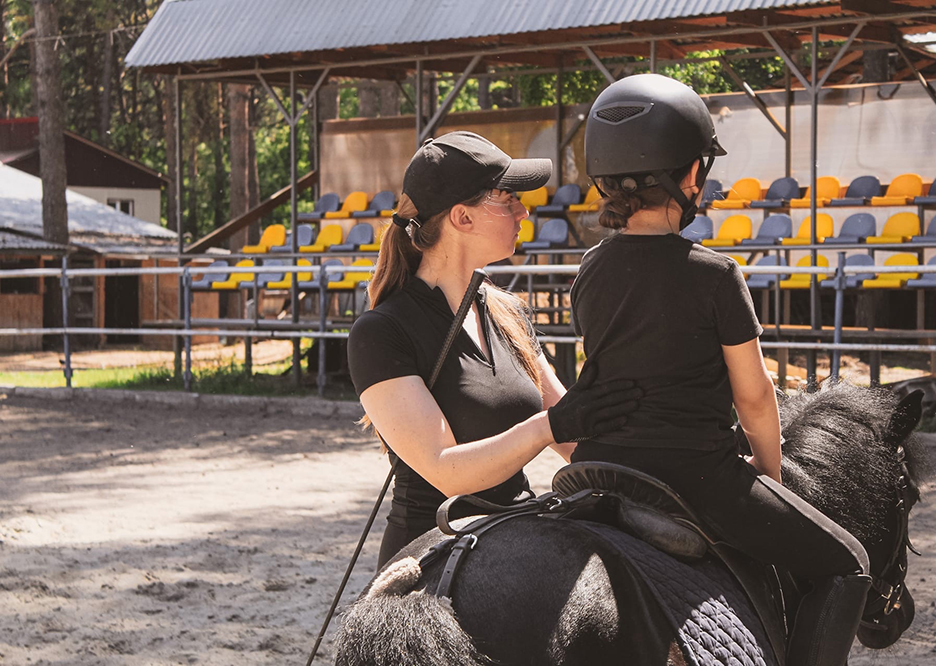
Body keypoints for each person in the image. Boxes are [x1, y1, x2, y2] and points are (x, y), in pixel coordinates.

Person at [570, 74, 871, 666]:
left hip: (596, 470)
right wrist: (768, 468)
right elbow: (754, 396)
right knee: (848, 563)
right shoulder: (715, 274)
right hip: (696, 477)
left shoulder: (590, 269)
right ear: (689, 177)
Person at [347, 131, 642, 568]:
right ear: (462, 218)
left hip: (514, 535)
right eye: (508, 200)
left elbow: (576, 440)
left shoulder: (508, 313)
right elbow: (448, 472)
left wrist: (657, 456)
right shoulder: (381, 332)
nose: (524, 211)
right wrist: (547, 427)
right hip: (430, 557)